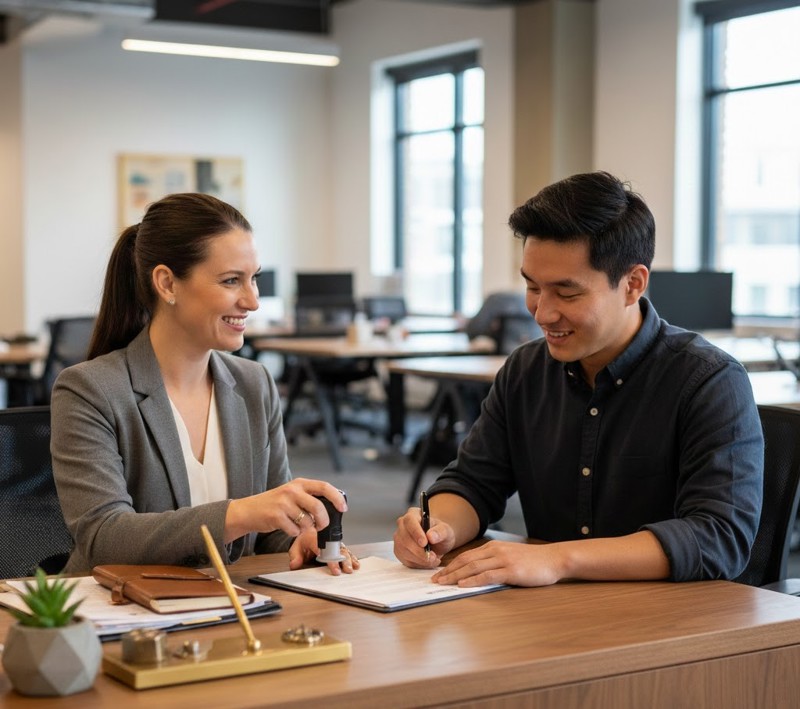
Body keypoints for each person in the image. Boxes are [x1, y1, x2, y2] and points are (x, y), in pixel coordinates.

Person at [394, 171, 763, 587]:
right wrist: (438, 526)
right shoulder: (525, 371)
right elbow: (473, 483)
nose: (542, 313)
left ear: (632, 285)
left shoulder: (708, 381)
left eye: (567, 294)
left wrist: (559, 560)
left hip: (674, 622)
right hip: (554, 614)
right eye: (532, 287)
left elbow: (718, 537)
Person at [51, 192, 359, 575]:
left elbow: (266, 534)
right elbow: (103, 537)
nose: (253, 301)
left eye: (254, 280)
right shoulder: (89, 390)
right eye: (232, 281)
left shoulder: (254, 384)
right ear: (167, 284)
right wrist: (241, 512)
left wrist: (299, 539)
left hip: (227, 609)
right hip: (118, 616)